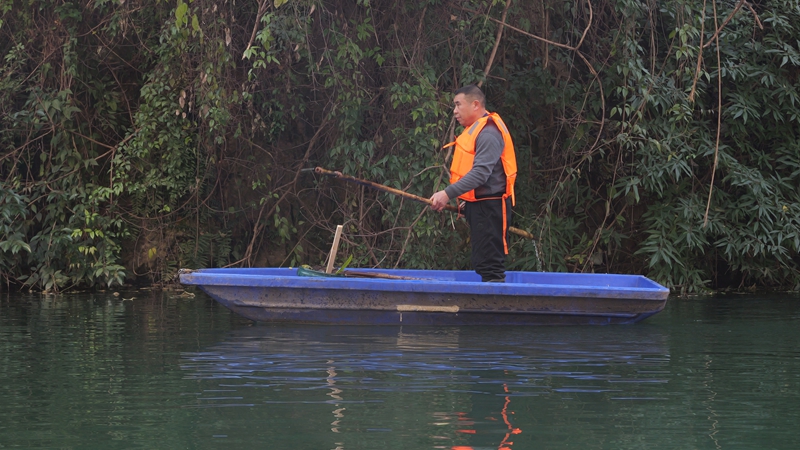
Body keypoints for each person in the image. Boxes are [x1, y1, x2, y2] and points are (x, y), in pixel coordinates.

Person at [430, 85, 517, 282]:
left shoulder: (487, 133)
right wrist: (468, 201)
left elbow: (480, 174)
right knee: (482, 262)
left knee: (490, 265)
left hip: (491, 208)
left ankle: (494, 308)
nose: (454, 111)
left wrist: (447, 193)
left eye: (458, 105)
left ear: (475, 104)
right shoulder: (475, 131)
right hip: (481, 206)